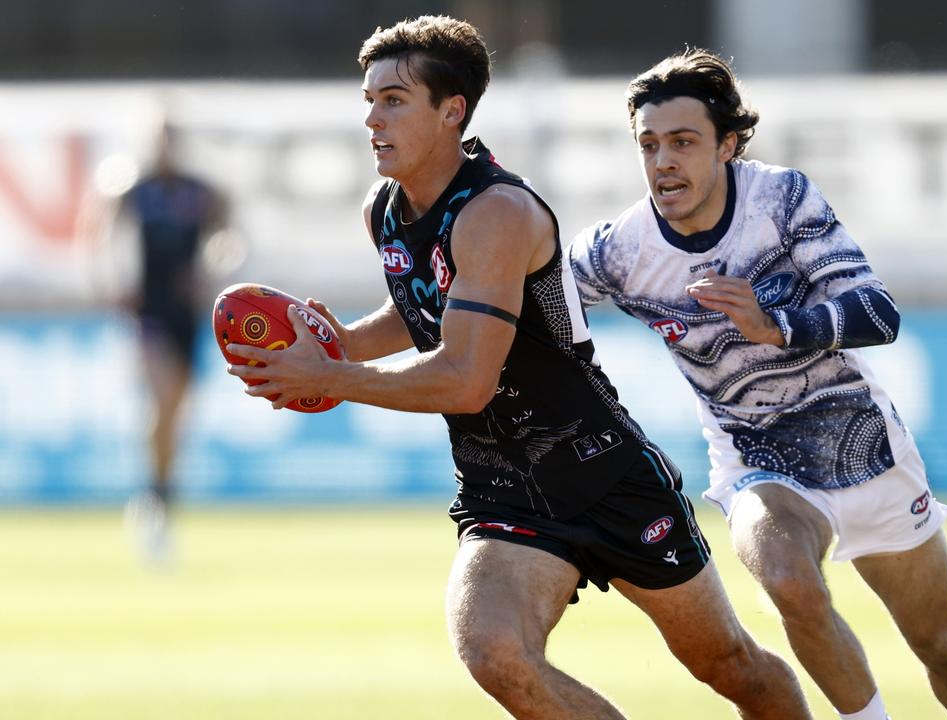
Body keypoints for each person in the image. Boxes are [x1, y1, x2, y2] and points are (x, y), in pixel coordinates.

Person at [226, 16, 811, 720]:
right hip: (502, 489)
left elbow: (465, 377)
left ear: (452, 112)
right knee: (494, 652)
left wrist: (329, 380)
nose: (371, 118)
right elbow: (425, 308)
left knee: (728, 666)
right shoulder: (384, 211)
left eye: (393, 99)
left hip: (600, 471)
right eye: (369, 99)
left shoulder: (498, 211)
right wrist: (338, 346)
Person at [569, 49, 947, 720]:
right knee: (787, 582)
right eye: (649, 145)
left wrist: (776, 325)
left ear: (729, 144)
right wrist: (378, 343)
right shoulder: (619, 250)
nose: (663, 162)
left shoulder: (781, 199)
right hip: (757, 461)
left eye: (683, 142)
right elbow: (511, 300)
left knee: (942, 644)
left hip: (860, 446)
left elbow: (877, 313)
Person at [88, 115, 233, 565]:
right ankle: (154, 498)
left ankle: (160, 494)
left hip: (187, 313)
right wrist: (110, 284)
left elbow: (229, 237)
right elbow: (101, 236)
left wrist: (208, 272)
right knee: (164, 398)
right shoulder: (133, 188)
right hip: (148, 311)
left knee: (177, 412)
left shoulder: (200, 191)